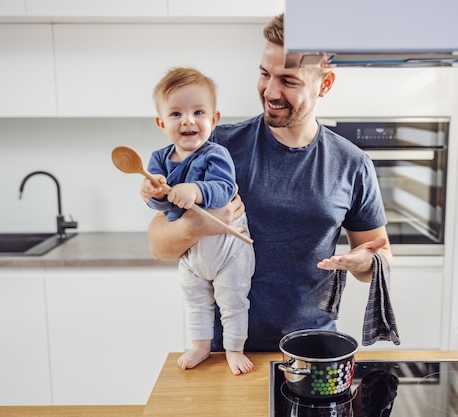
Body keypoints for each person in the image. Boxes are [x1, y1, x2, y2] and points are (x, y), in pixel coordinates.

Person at [143, 14, 393, 353]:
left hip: (312, 347)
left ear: (325, 84)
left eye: (288, 80)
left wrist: (364, 263)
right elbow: (158, 244)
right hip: (225, 348)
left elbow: (380, 255)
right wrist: (194, 226)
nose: (270, 91)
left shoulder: (352, 163)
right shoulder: (215, 147)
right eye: (264, 74)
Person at [142, 67, 255, 375]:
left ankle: (233, 348)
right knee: (195, 301)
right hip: (191, 251)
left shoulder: (215, 154)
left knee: (232, 300)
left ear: (214, 119)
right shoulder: (158, 160)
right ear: (161, 123)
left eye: (198, 112)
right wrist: (151, 193)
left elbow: (224, 189)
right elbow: (161, 205)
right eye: (176, 113)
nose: (188, 120)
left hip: (227, 246)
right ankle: (201, 346)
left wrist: (195, 189)